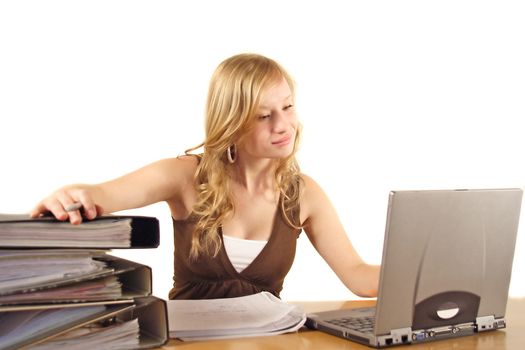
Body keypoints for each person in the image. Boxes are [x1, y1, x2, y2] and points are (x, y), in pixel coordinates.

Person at [31, 53, 380, 300]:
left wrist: (427, 272)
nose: (282, 125)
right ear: (231, 122)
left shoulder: (303, 194)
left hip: (266, 342)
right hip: (189, 343)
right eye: (263, 116)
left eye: (287, 107)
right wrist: (69, 195)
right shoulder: (184, 176)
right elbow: (99, 195)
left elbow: (359, 277)